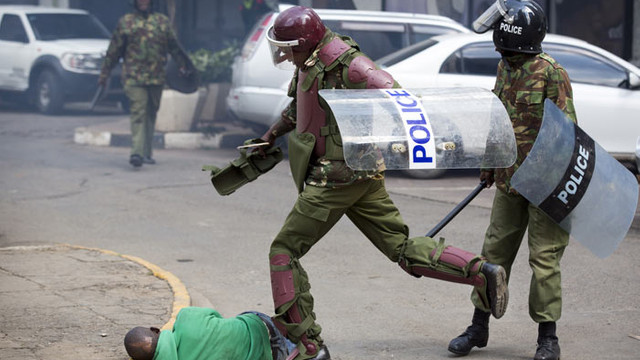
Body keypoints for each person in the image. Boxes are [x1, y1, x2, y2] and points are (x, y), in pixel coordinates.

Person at [258, 6, 510, 360]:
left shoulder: (351, 65)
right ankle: (480, 272)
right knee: (401, 248)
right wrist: (269, 136)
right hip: (361, 176)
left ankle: (308, 345)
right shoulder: (311, 62)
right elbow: (299, 107)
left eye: (289, 48)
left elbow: (398, 98)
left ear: (308, 42)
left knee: (283, 252)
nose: (285, 56)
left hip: (335, 179)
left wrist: (402, 143)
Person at [447, 1, 577, 360]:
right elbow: (498, 117)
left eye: (507, 49)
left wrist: (554, 181)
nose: (503, 54)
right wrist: (489, 164)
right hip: (509, 181)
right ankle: (479, 326)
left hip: (546, 186)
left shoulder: (551, 72)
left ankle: (548, 338)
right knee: (493, 254)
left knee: (544, 261)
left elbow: (567, 133)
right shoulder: (505, 67)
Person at [98, 0, 190, 168]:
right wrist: (105, 74)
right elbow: (114, 50)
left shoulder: (162, 22)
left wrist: (184, 65)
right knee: (138, 112)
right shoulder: (126, 22)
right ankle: (136, 153)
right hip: (133, 77)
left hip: (156, 77)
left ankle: (147, 153)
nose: (143, 2)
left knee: (151, 112)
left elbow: (174, 47)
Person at [124, 306, 294, 360]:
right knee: (244, 316)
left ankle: (294, 350)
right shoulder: (186, 317)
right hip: (260, 328)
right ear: (155, 330)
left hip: (269, 356)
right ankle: (293, 336)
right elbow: (216, 315)